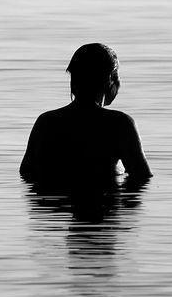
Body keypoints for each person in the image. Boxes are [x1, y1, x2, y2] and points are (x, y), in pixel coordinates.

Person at [20, 43, 152, 191]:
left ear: (73, 80)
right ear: (111, 79)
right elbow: (142, 176)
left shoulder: (46, 122)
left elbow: (26, 172)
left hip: (56, 203)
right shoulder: (119, 123)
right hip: (103, 201)